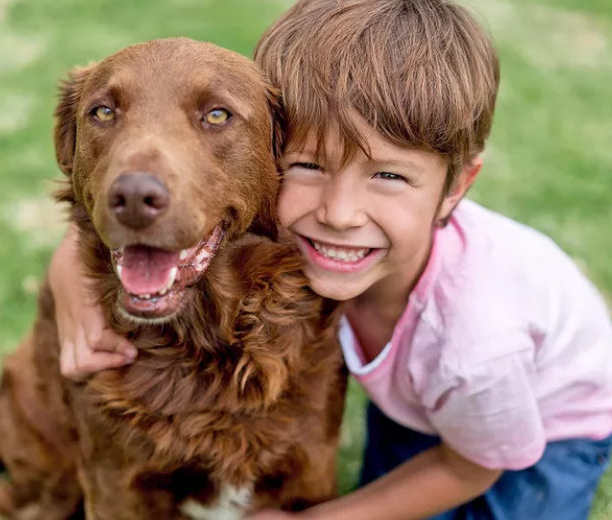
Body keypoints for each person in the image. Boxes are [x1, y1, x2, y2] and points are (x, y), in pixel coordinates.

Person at [46, 0, 612, 518]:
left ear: (455, 188)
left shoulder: (474, 339)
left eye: (388, 176)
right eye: (309, 167)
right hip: (422, 398)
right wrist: (69, 268)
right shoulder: (316, 241)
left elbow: (476, 462)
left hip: (547, 424)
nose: (339, 214)